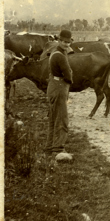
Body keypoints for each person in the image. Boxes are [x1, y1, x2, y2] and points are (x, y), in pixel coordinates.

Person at [45, 29, 73, 160]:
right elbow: (68, 75)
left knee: (53, 118)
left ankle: (50, 147)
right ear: (59, 40)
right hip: (59, 86)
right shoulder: (60, 56)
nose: (66, 44)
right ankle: (59, 149)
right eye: (64, 41)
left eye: (68, 42)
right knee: (62, 119)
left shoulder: (54, 52)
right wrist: (69, 81)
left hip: (53, 85)